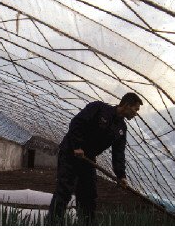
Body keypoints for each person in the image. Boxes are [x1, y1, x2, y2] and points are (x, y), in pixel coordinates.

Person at [47, 92, 143, 225]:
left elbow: (118, 153)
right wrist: (77, 146)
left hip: (88, 158)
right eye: (135, 109)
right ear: (127, 105)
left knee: (88, 194)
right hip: (71, 152)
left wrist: (121, 175)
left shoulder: (121, 128)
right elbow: (77, 123)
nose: (136, 113)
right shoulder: (99, 108)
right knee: (64, 190)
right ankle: (53, 224)